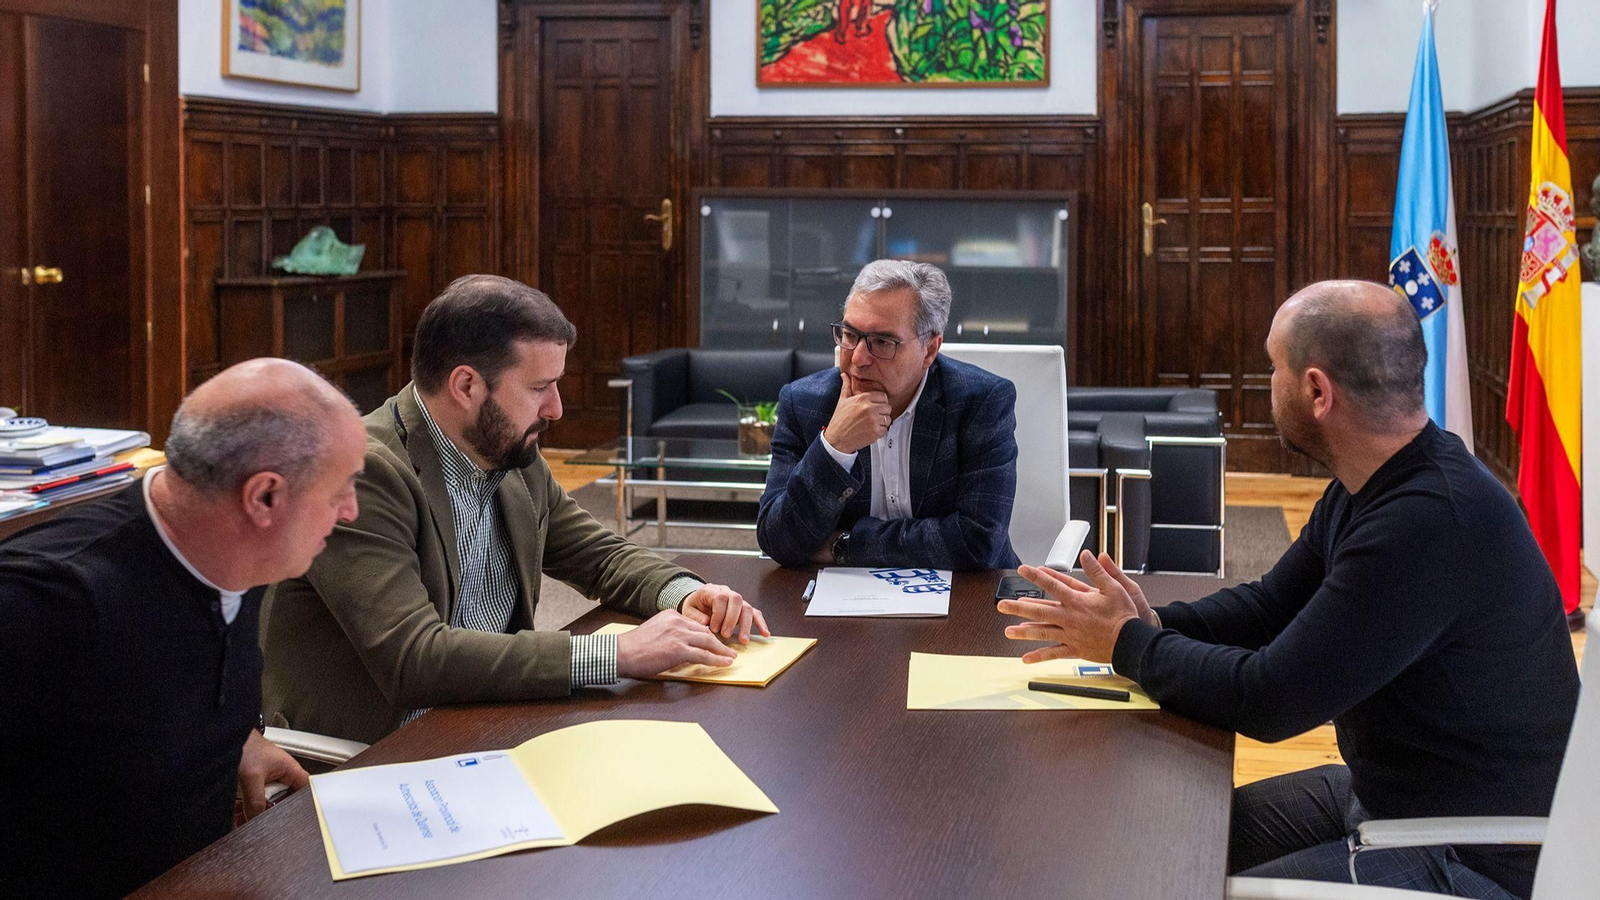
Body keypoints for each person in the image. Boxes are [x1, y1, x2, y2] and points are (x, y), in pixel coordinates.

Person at [998, 280, 1578, 899]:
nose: (1267, 382)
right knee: (1162, 843)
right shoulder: (1378, 480)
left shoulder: (1428, 520)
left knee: (1177, 884)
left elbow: (1270, 699)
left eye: (1273, 367)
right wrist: (1152, 624)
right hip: (1391, 798)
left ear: (1317, 391)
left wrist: (1126, 644)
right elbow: (1270, 607)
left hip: (1473, 853)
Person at [262, 275, 769, 745]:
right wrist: (618, 653)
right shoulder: (366, 473)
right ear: (466, 386)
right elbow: (415, 658)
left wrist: (685, 594)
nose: (556, 409)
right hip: (383, 746)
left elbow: (600, 557)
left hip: (488, 714)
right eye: (539, 388)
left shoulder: (507, 450)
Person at [0, 359, 368, 900]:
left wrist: (234, 736)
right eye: (341, 489)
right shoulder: (44, 604)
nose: (351, 511)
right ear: (264, 497)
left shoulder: (242, 553)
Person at [757, 260, 1020, 571]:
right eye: (850, 335)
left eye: (882, 342)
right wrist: (835, 447)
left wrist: (844, 545)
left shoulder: (981, 402)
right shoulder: (803, 403)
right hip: (844, 595)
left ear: (930, 349)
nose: (858, 358)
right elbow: (778, 540)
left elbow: (979, 542)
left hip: (969, 594)